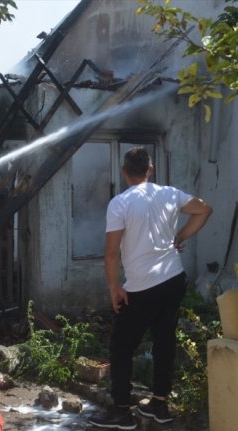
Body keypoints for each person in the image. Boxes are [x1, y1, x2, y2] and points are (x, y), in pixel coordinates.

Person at [88, 146, 212, 430]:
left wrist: (113, 287)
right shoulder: (169, 193)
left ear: (124, 172)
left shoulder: (120, 203)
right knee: (163, 341)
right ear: (150, 169)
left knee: (121, 346)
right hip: (173, 279)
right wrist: (181, 235)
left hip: (143, 286)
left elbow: (111, 253)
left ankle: (121, 411)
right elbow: (204, 209)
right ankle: (160, 404)